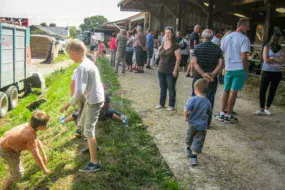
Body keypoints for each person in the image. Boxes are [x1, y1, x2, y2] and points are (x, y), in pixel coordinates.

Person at [66, 39, 105, 172]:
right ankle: (92, 147)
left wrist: (68, 104)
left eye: (70, 53)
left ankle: (94, 163)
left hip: (94, 100)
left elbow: (78, 92)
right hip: (94, 98)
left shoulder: (82, 67)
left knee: (89, 130)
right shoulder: (88, 62)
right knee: (82, 123)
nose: (69, 56)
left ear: (78, 52)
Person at [0, 110, 51, 190]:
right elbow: (36, 155)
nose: (47, 125)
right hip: (6, 151)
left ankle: (13, 170)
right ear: (40, 127)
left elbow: (36, 140)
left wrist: (44, 155)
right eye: (46, 124)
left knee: (16, 167)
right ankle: (6, 188)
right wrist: (45, 169)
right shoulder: (30, 135)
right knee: (18, 174)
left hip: (6, 143)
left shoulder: (29, 126)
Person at [215, 18, 250, 123]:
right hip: (239, 68)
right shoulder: (244, 39)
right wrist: (246, 69)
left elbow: (221, 52)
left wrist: (224, 64)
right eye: (247, 26)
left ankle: (221, 114)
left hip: (228, 68)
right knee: (233, 92)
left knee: (226, 90)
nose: (248, 29)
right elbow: (244, 57)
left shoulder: (226, 37)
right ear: (242, 25)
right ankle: (229, 115)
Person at [191, 29, 224, 111]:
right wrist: (212, 74)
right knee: (210, 98)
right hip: (211, 79)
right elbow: (221, 64)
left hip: (198, 77)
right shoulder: (217, 49)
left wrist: (203, 74)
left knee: (195, 97)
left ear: (202, 36)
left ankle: (194, 118)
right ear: (212, 37)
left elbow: (194, 63)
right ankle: (207, 120)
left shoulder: (197, 48)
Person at [254, 33, 285, 116]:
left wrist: (273, 58)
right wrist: (278, 59)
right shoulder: (266, 47)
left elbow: (283, 60)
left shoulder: (282, 49)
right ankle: (261, 109)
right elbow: (266, 59)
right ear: (276, 39)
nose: (282, 41)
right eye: (281, 39)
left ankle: (267, 108)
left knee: (272, 90)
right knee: (262, 90)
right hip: (266, 71)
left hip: (277, 73)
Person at [184, 79, 212, 166]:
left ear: (196, 89)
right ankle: (193, 158)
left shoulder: (192, 99)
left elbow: (186, 110)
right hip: (202, 126)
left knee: (190, 136)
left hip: (192, 124)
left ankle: (188, 148)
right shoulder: (208, 102)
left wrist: (186, 117)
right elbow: (209, 114)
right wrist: (207, 124)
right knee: (198, 140)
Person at [156, 26, 182, 111]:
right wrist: (159, 50)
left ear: (172, 34)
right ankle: (161, 103)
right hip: (161, 69)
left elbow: (178, 58)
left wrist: (175, 70)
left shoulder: (175, 45)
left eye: (169, 33)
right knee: (162, 87)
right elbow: (160, 56)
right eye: (166, 33)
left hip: (171, 70)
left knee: (171, 87)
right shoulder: (163, 44)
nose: (167, 34)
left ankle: (171, 105)